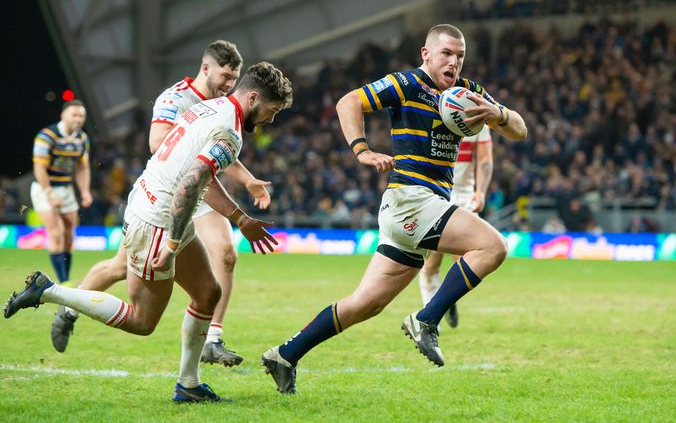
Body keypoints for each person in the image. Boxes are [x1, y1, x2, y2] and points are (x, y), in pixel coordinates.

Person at [6, 62, 293, 403]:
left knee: (207, 293)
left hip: (157, 205)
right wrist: (171, 244)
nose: (269, 121)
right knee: (142, 321)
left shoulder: (208, 108)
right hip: (158, 220)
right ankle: (50, 292)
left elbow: (200, 177)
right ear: (255, 97)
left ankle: (188, 386)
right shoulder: (229, 132)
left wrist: (241, 219)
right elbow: (190, 184)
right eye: (271, 111)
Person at [261, 24, 526, 394]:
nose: (454, 61)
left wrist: (498, 114)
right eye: (446, 53)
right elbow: (348, 102)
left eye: (460, 56)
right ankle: (427, 319)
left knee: (365, 305)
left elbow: (520, 130)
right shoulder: (406, 84)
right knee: (492, 246)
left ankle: (284, 355)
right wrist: (361, 150)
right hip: (411, 201)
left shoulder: (469, 95)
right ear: (426, 54)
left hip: (419, 208)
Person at [50, 41, 270, 367]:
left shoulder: (226, 105)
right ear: (206, 67)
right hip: (169, 192)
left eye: (234, 78)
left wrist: (246, 178)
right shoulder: (175, 98)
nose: (229, 84)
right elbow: (161, 146)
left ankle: (211, 339)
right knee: (119, 271)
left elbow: (219, 152)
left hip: (196, 188)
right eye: (225, 76)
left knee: (225, 254)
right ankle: (67, 307)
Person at [418, 124, 493, 328]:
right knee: (445, 262)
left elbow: (485, 160)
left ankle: (440, 307)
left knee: (447, 263)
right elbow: (485, 161)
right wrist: (481, 191)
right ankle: (436, 313)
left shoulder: (432, 109)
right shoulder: (477, 119)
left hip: (450, 196)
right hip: (449, 196)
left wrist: (480, 191)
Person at [31, 100, 92, 288]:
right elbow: (39, 167)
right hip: (43, 187)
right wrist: (49, 193)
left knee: (69, 234)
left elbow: (82, 167)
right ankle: (64, 281)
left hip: (66, 188)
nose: (78, 119)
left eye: (81, 115)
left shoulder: (82, 139)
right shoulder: (46, 136)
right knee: (55, 234)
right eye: (74, 114)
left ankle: (66, 277)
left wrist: (84, 191)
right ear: (63, 115)